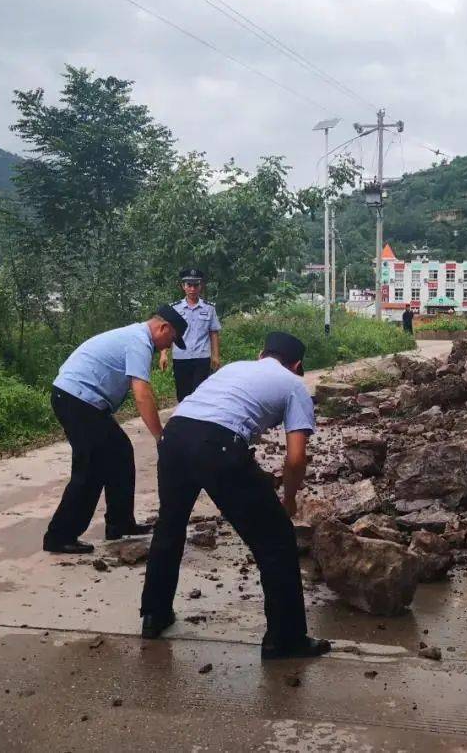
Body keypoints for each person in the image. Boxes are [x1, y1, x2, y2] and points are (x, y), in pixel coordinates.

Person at [140, 331, 331, 660]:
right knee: (276, 541)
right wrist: (287, 501)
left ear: (261, 354)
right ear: (297, 365)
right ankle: (285, 640)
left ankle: (154, 615)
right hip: (217, 444)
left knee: (170, 525)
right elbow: (296, 458)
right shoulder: (295, 385)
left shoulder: (232, 368)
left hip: (175, 436)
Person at [43, 305, 188, 554]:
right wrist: (160, 436)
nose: (168, 347)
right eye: (171, 340)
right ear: (163, 328)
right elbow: (142, 393)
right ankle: (59, 536)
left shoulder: (136, 337)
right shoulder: (138, 342)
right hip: (76, 399)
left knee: (120, 453)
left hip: (83, 400)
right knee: (90, 467)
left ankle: (120, 523)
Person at [159, 268, 221, 401]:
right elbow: (166, 333)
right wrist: (164, 354)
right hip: (181, 357)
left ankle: (199, 420)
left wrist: (215, 355)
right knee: (183, 394)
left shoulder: (209, 308)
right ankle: (184, 418)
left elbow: (213, 333)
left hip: (202, 357)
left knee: (200, 393)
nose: (192, 289)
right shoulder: (174, 308)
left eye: (196, 285)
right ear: (183, 287)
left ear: (201, 286)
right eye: (189, 285)